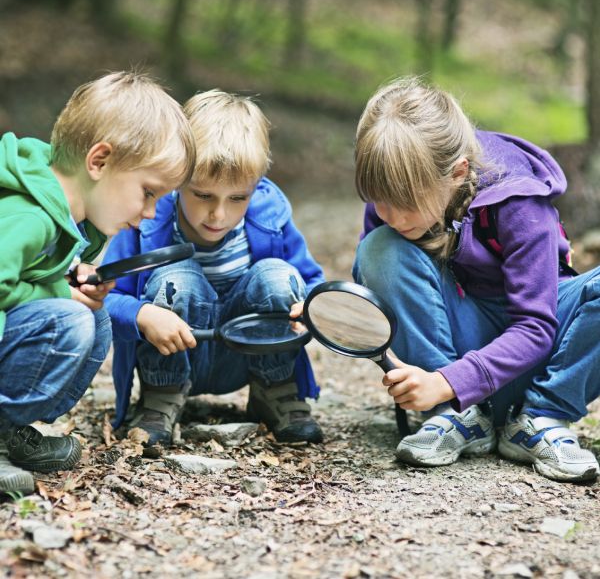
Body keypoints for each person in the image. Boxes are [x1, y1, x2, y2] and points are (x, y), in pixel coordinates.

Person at [352, 77, 600, 483]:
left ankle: (541, 418)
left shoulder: (519, 202)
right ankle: (455, 418)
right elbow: (382, 289)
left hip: (541, 356)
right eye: (380, 200)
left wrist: (450, 381)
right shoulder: (391, 208)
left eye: (407, 204)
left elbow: (536, 327)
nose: (392, 216)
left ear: (457, 172)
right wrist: (336, 312)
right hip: (454, 357)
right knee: (380, 249)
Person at [0, 71, 196, 495]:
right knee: (69, 320)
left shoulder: (68, 219)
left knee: (95, 319)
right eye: (148, 192)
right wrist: (59, 293)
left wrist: (72, 279)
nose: (150, 213)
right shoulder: (29, 215)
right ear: (99, 161)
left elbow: (30, 277)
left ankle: (9, 431)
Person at [104, 89, 325, 447]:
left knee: (277, 275)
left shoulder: (269, 218)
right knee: (178, 276)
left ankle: (275, 390)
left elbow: (312, 281)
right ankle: (161, 397)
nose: (219, 215)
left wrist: (311, 307)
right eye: (203, 195)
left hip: (246, 353)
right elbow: (107, 301)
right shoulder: (148, 221)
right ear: (177, 180)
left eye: (238, 198)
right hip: (174, 351)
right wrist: (143, 314)